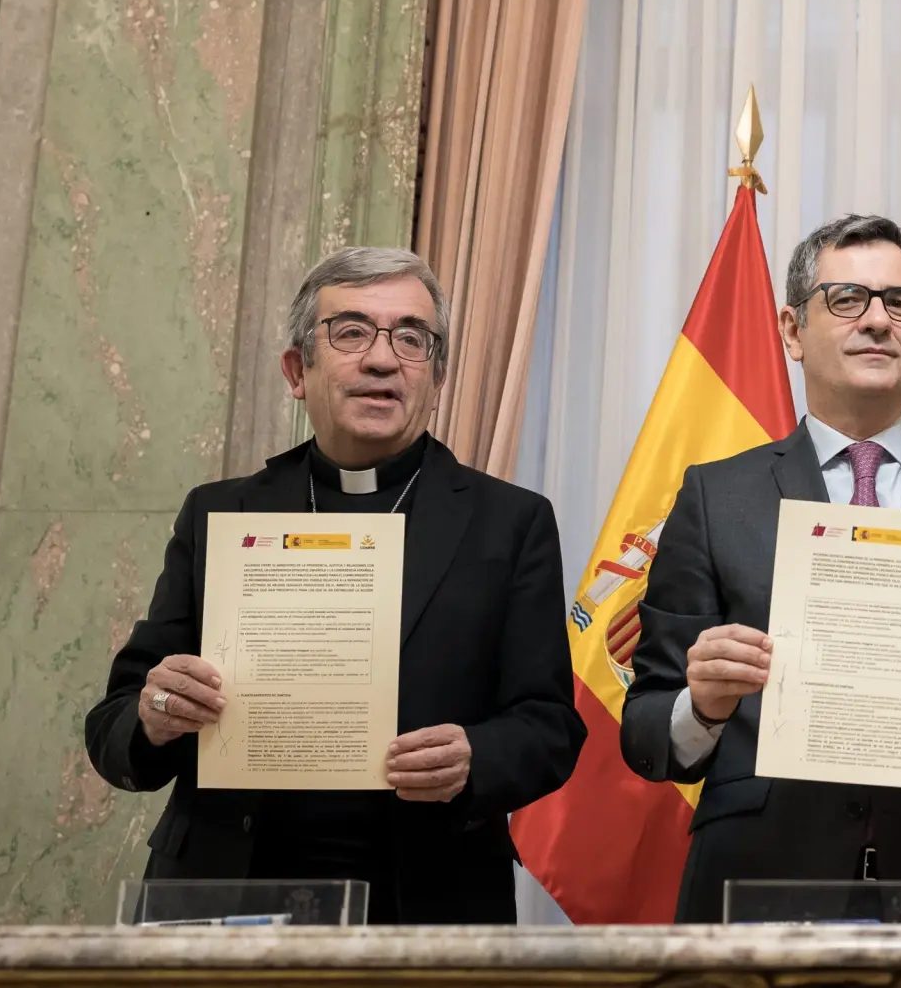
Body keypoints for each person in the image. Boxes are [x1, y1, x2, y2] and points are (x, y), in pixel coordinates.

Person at [85, 247, 584, 924]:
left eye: (411, 338)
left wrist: (476, 757)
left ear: (437, 377)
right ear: (298, 371)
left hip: (426, 900)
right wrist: (155, 714)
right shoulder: (221, 513)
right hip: (226, 892)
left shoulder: (509, 523)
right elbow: (113, 724)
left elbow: (549, 727)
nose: (382, 360)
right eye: (351, 333)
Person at [621, 214, 901, 922]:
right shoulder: (714, 497)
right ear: (793, 331)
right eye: (847, 299)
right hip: (757, 877)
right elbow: (646, 730)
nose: (878, 320)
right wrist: (701, 704)